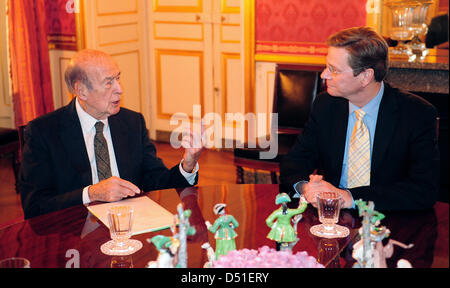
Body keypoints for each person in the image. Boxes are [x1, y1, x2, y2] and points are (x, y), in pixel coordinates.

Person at [19, 49, 203, 219]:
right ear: (81, 90)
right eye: (108, 82)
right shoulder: (44, 132)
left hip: (131, 225)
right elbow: (35, 206)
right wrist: (91, 193)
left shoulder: (132, 122)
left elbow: (155, 182)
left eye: (118, 78)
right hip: (76, 232)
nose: (119, 89)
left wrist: (188, 164)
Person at [280, 27, 439, 211]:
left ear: (365, 76)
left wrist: (350, 197)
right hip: (331, 220)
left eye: (334, 70)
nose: (324, 75)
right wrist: (306, 187)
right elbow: (294, 163)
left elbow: (423, 190)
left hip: (389, 220)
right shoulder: (326, 105)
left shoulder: (416, 114)